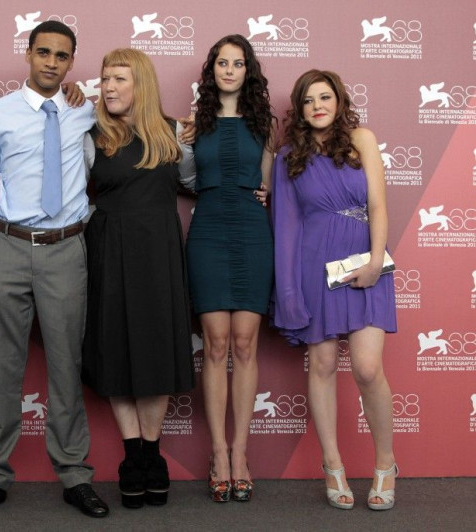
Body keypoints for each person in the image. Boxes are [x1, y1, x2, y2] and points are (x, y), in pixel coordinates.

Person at [0, 21, 109, 519]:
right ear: (28, 54)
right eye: (43, 52)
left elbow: (138, 116)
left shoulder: (83, 109)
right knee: (4, 367)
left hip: (66, 250)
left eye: (61, 56)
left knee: (66, 365)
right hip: (8, 247)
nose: (51, 62)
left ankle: (74, 474)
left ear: (72, 62)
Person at [272, 69, 397, 510]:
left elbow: (379, 204)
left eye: (325, 97)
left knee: (366, 368)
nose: (317, 105)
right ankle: (333, 465)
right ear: (300, 109)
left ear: (339, 101)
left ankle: (386, 465)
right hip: (313, 268)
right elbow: (285, 228)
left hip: (365, 261)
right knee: (322, 363)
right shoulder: (288, 156)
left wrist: (375, 262)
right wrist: (288, 291)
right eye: (308, 100)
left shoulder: (362, 138)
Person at [80, 48, 195, 510]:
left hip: (160, 253)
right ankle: (132, 456)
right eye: (105, 77)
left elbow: (194, 180)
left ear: (140, 84)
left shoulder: (173, 134)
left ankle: (152, 453)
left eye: (119, 79)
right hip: (108, 248)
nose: (108, 86)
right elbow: (62, 189)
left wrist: (261, 187)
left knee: (155, 353)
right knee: (116, 350)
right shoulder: (89, 134)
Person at [184, 35, 274, 503]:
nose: (230, 70)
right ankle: (218, 453)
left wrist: (268, 192)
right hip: (209, 230)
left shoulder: (266, 124)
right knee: (216, 344)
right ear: (212, 69)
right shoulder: (192, 125)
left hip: (253, 232)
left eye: (238, 63)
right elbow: (180, 175)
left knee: (245, 343)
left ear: (248, 71)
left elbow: (273, 183)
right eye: (222, 62)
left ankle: (242, 453)